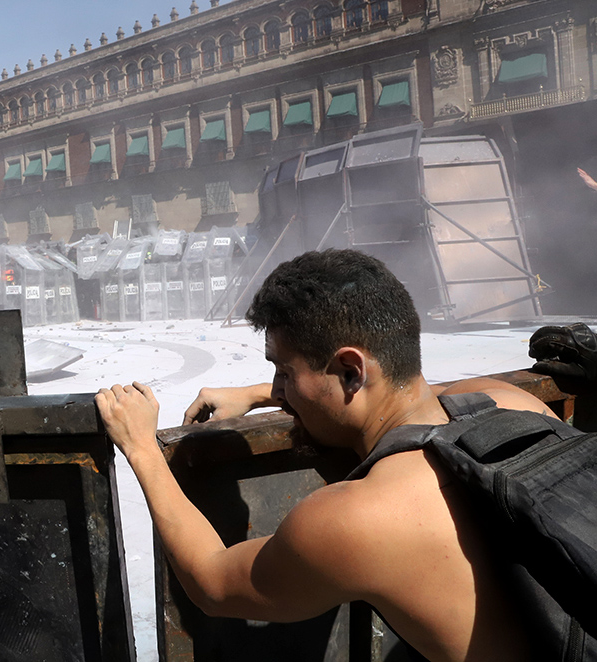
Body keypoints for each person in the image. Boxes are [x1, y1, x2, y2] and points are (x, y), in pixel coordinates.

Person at [95, 249, 556, 662]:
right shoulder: (512, 402)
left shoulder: (360, 518)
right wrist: (265, 393)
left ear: (351, 371)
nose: (278, 388)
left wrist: (141, 447)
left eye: (284, 371)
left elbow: (213, 584)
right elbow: (418, 391)